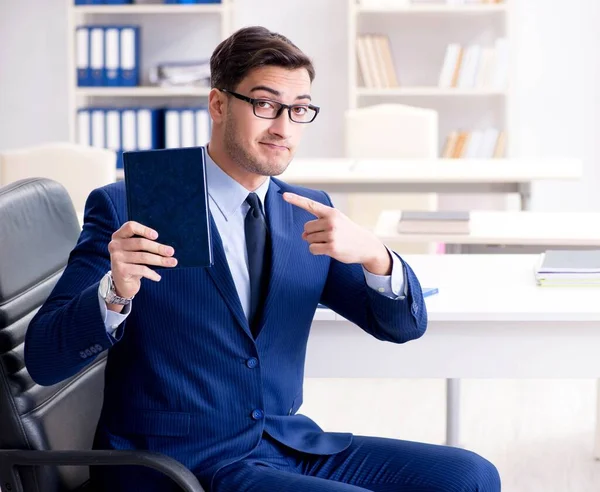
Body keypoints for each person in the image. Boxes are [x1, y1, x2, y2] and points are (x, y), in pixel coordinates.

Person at [24, 26, 500, 492]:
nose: (282, 127)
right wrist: (114, 290)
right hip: (183, 462)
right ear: (218, 104)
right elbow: (44, 359)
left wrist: (377, 256)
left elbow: (401, 326)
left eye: (298, 110)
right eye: (265, 104)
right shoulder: (134, 206)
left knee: (471, 476)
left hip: (284, 443)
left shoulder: (305, 211)